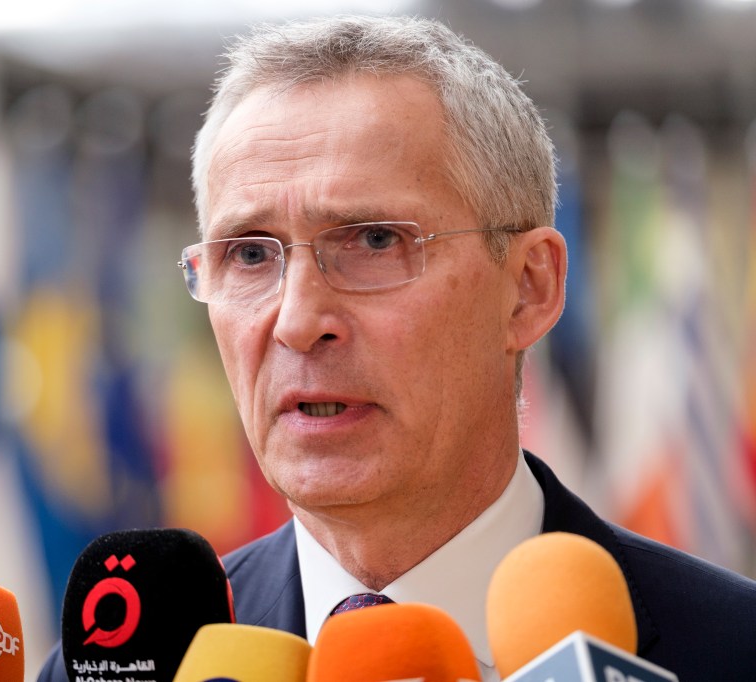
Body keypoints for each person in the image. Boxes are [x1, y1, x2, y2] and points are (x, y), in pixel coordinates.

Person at [38, 15, 756, 681]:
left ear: (530, 288)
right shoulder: (123, 663)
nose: (295, 321)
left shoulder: (731, 648)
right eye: (250, 255)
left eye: (374, 241)